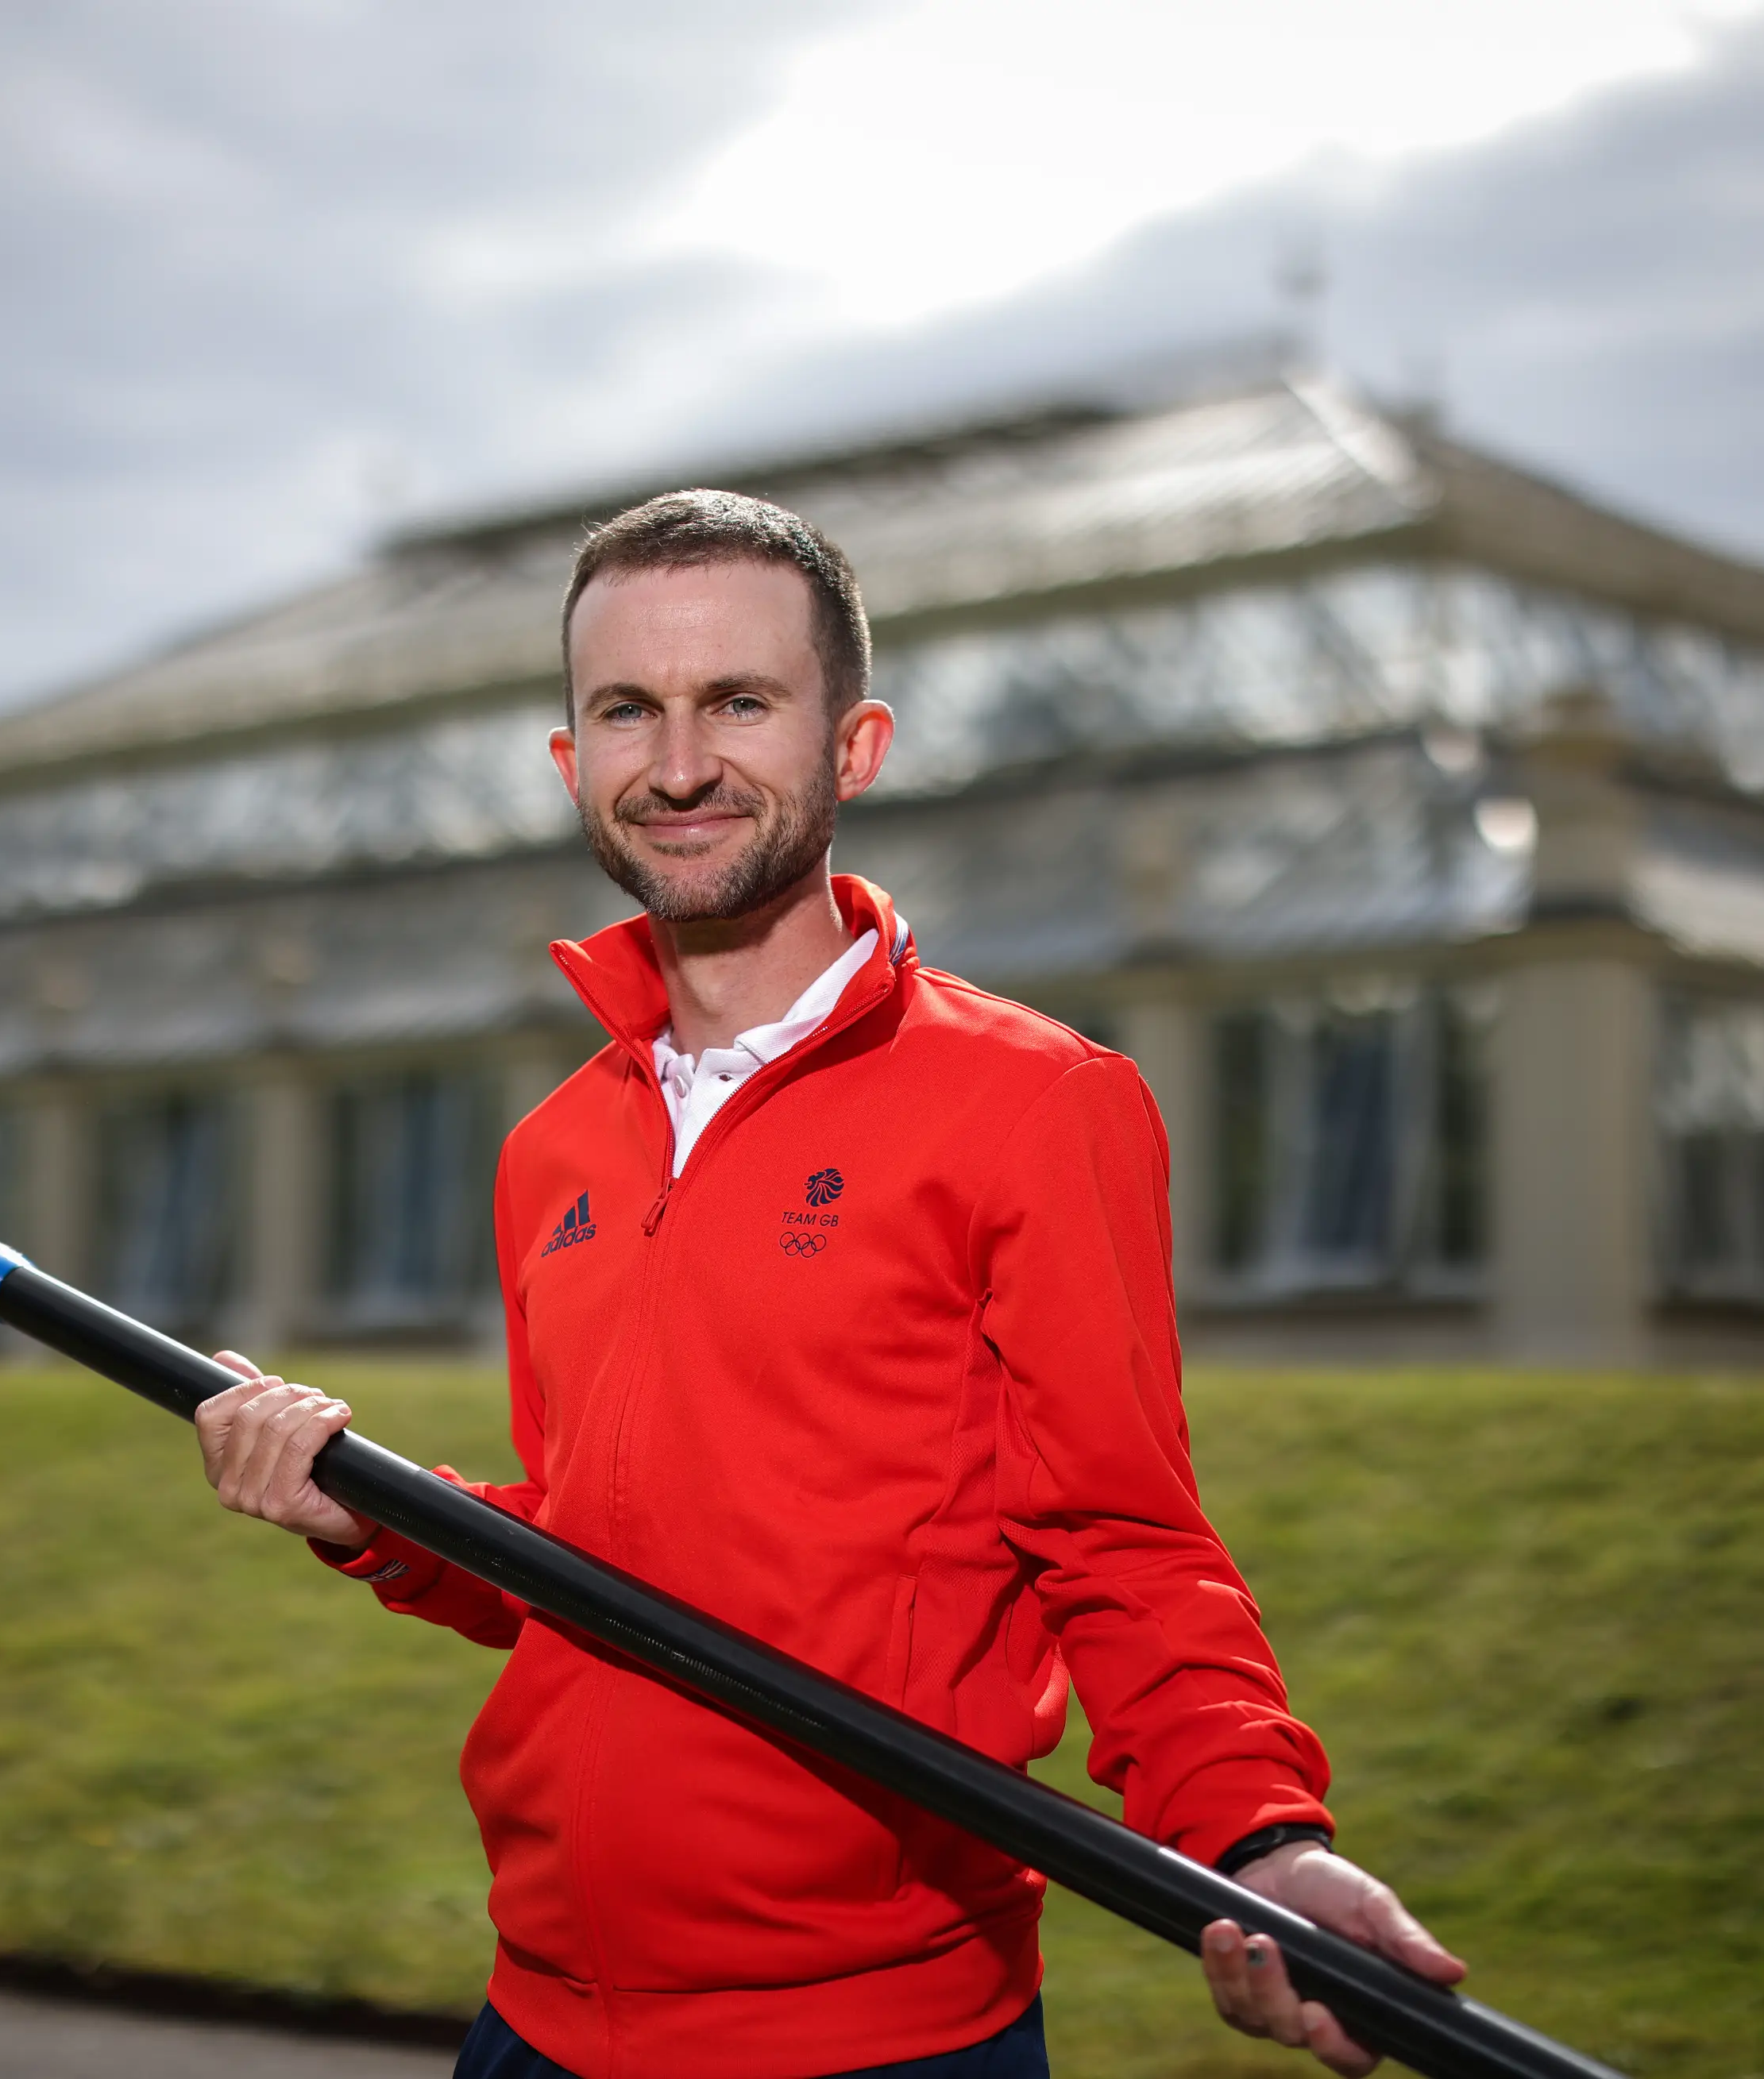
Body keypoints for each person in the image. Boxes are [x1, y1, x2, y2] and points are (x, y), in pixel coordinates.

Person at [194, 490, 1461, 2079]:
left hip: (873, 2040)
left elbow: (1121, 1541)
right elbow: (594, 1554)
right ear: (567, 757)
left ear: (853, 744)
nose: (676, 764)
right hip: (532, 2023)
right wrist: (371, 1513)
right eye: (627, 711)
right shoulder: (554, 1151)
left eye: (738, 701)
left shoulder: (1034, 1102)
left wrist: (1260, 1838)